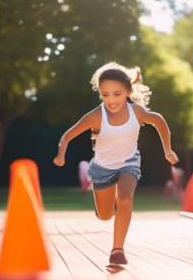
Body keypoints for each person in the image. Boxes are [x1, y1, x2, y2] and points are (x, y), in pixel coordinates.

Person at [54, 62, 178, 264]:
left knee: (125, 198)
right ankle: (104, 205)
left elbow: (159, 121)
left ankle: (117, 250)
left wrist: (167, 149)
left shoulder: (136, 112)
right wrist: (61, 155)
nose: (111, 100)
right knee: (105, 216)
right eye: (105, 95)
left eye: (117, 94)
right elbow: (67, 137)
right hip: (102, 168)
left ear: (129, 91)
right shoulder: (96, 116)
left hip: (129, 163)